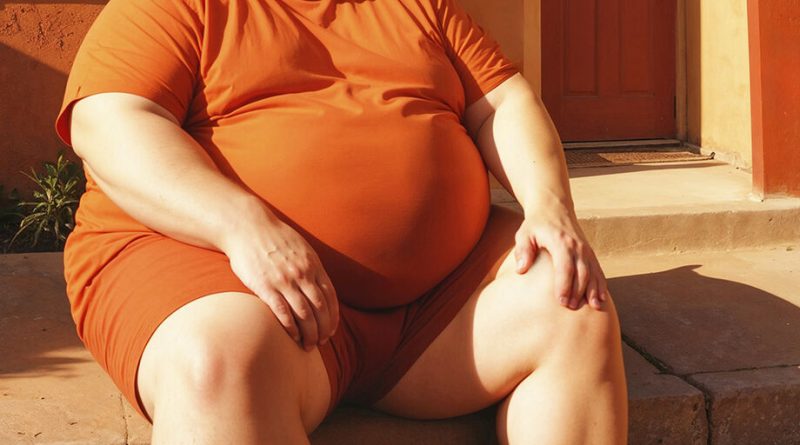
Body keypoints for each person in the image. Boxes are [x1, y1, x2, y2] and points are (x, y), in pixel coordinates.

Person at [55, 0, 628, 443]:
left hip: (435, 312)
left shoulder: (420, 5)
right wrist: (243, 226)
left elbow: (501, 104)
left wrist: (549, 206)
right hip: (226, 275)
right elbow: (110, 122)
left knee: (571, 299)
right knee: (216, 363)